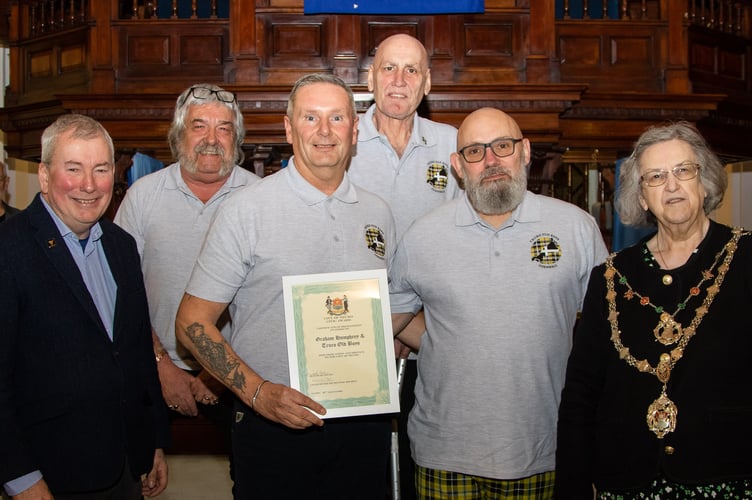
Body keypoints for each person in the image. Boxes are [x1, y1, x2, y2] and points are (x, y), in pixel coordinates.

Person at [174, 73, 397, 500]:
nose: (325, 131)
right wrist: (258, 394)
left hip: (362, 425)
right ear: (289, 129)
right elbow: (191, 323)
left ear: (355, 128)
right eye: (310, 118)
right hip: (272, 425)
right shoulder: (247, 210)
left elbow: (388, 311)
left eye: (336, 118)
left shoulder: (378, 213)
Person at [390, 107, 608, 499]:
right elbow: (390, 313)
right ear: (458, 166)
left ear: (525, 152)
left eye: (502, 146)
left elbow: (607, 333)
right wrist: (447, 340)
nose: (491, 160)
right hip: (444, 452)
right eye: (475, 151)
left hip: (544, 449)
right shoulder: (422, 236)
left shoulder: (576, 228)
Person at [554, 122, 752, 499]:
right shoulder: (611, 277)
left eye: (683, 171)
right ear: (642, 197)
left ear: (704, 181)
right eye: (656, 177)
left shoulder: (745, 259)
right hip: (627, 481)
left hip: (727, 477)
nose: (672, 185)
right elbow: (582, 394)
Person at [0, 114, 169, 499]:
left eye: (101, 169)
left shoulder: (122, 246)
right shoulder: (8, 251)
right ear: (44, 176)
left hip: (126, 466)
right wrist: (21, 478)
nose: (89, 185)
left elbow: (137, 351)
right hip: (49, 475)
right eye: (73, 169)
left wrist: (154, 438)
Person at [348, 33, 462, 498]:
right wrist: (385, 328)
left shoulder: (455, 146)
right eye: (388, 68)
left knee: (427, 469)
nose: (399, 80)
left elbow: (466, 242)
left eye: (411, 70)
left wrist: (403, 327)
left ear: (427, 82)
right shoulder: (342, 138)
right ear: (370, 78)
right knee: (361, 470)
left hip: (433, 343)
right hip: (353, 340)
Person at [115, 84, 259, 424]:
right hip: (156, 367)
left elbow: (271, 297)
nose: (211, 138)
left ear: (236, 139)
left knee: (251, 476)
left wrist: (219, 372)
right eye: (199, 126)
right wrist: (161, 365)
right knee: (149, 473)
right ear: (179, 135)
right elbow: (121, 290)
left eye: (223, 128)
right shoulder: (142, 196)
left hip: (241, 374)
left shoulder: (262, 197)